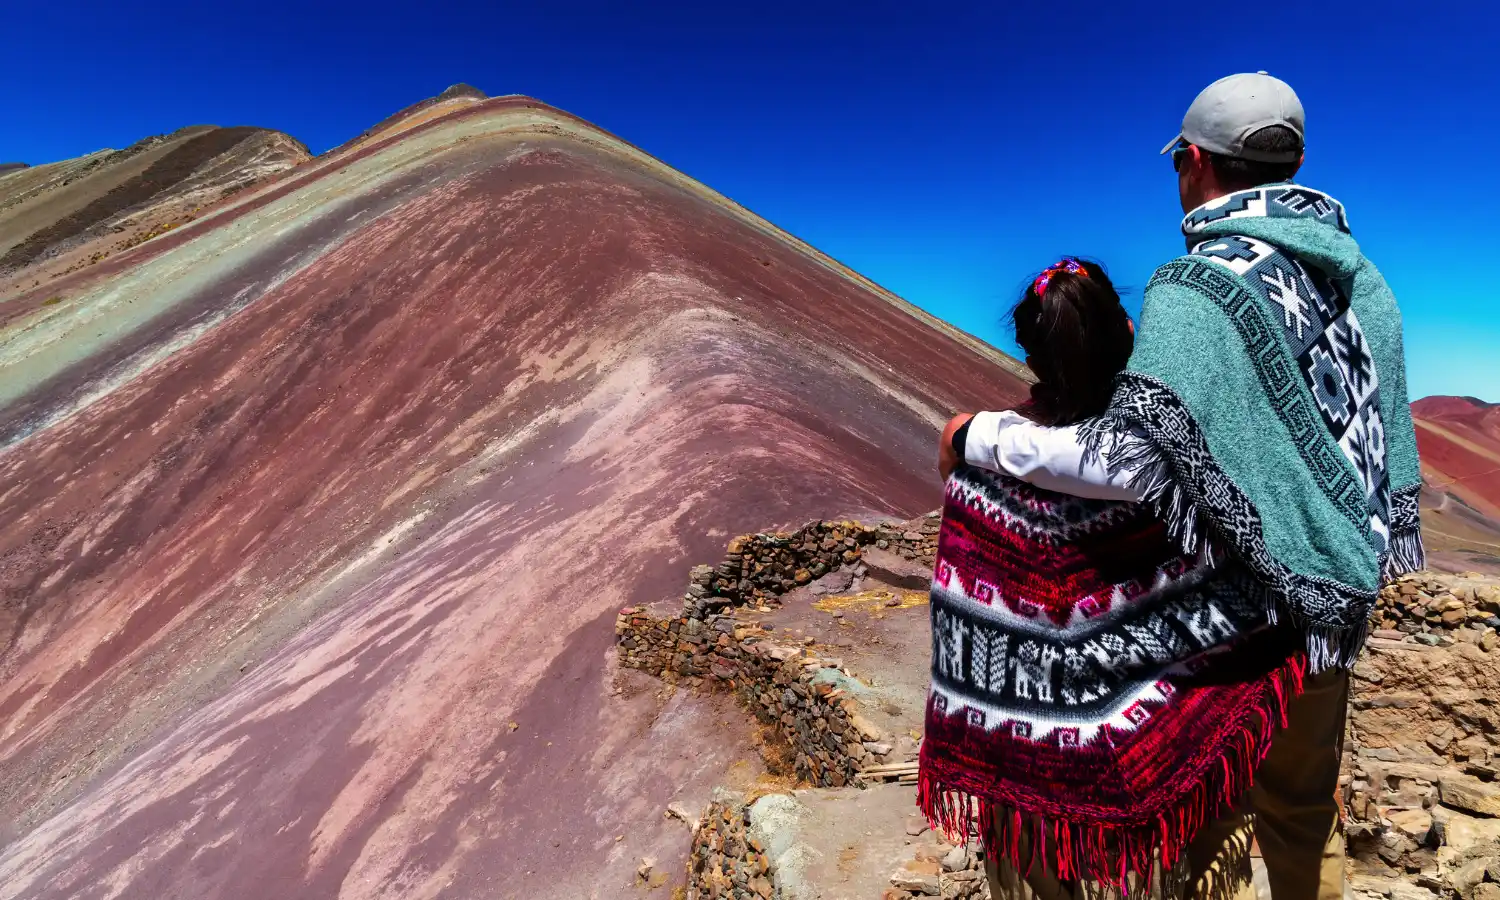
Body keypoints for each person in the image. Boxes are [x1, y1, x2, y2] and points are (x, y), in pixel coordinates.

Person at [938, 74, 1425, 900]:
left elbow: (1131, 463)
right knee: (1304, 812)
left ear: (1193, 160)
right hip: (1336, 603)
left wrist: (976, 435)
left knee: (1210, 810)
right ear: (1296, 161)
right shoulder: (1362, 281)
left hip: (1239, 619)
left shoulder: (1200, 286)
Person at [919, 257, 1306, 900]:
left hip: (1027, 751)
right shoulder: (1176, 458)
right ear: (1128, 334)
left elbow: (969, 599)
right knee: (1198, 845)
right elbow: (1239, 573)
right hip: (1163, 720)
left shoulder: (978, 457)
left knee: (1033, 864)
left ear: (1031, 352)